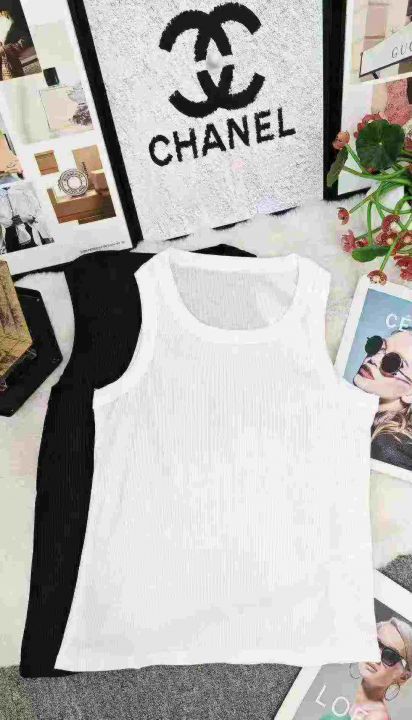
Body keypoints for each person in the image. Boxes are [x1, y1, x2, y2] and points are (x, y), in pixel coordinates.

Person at [320, 617, 412, 719]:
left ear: (403, 677)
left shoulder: (376, 717)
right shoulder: (357, 706)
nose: (376, 656)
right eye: (375, 644)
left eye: (390, 655)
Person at [353, 330, 412, 470]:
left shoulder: (387, 449)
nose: (374, 359)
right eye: (378, 346)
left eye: (393, 362)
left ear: (409, 394)